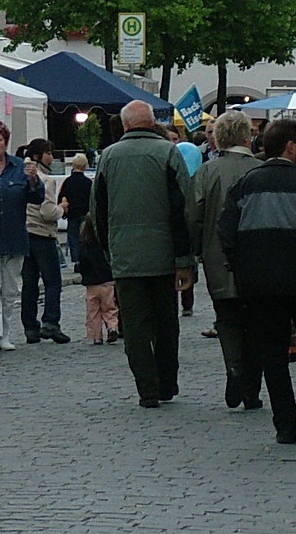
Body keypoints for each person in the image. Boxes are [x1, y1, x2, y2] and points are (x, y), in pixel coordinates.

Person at [218, 117, 296, 444]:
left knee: (272, 354)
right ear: (290, 146)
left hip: (260, 284)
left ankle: (284, 425)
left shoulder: (245, 185)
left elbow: (226, 233)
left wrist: (240, 268)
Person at [92, 101, 195, 408]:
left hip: (125, 257)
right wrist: (184, 259)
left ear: (125, 126)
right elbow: (184, 209)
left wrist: (110, 250)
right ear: (152, 123)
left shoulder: (108, 157)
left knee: (135, 326)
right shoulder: (168, 153)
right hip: (164, 256)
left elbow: (98, 212)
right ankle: (167, 383)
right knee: (166, 322)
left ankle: (146, 388)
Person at [185, 110, 262, 408]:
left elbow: (194, 214)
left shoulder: (208, 171)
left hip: (218, 256)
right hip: (257, 257)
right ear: (248, 136)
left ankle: (233, 366)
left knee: (227, 318)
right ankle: (252, 386)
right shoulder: (260, 169)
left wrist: (195, 250)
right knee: (256, 321)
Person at [0, 122, 44, 352]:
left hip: (14, 237)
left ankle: (4, 333)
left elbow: (37, 197)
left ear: (6, 142)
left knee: (10, 290)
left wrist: (34, 180)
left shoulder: (19, 167)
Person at [20, 138, 71, 344]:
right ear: (37, 156)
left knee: (29, 283)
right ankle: (51, 322)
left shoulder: (20, 175)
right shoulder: (46, 180)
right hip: (43, 234)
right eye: (48, 153)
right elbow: (48, 212)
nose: (52, 157)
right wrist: (62, 209)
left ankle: (30, 327)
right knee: (52, 281)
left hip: (24, 234)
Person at [78, 216, 119, 344]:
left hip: (91, 284)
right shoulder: (105, 245)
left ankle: (96, 336)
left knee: (93, 312)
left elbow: (82, 266)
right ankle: (112, 328)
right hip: (107, 282)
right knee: (110, 308)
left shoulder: (84, 248)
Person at [59, 152, 93, 268]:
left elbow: (62, 197)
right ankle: (85, 259)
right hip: (85, 213)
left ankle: (76, 261)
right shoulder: (88, 182)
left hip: (72, 214)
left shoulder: (68, 182)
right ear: (85, 166)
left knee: (73, 237)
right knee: (84, 238)